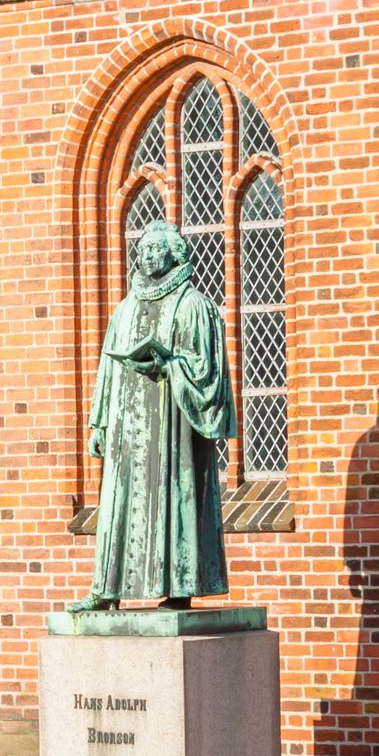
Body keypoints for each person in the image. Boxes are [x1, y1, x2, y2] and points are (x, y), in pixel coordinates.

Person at [69, 219, 235, 611]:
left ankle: (179, 589)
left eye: (155, 249)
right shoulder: (124, 309)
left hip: (173, 424)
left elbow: (207, 369)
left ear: (173, 254)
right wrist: (99, 422)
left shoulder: (193, 305)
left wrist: (171, 366)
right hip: (128, 424)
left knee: (174, 497)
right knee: (118, 499)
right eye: (142, 249)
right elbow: (108, 370)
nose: (147, 255)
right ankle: (105, 589)